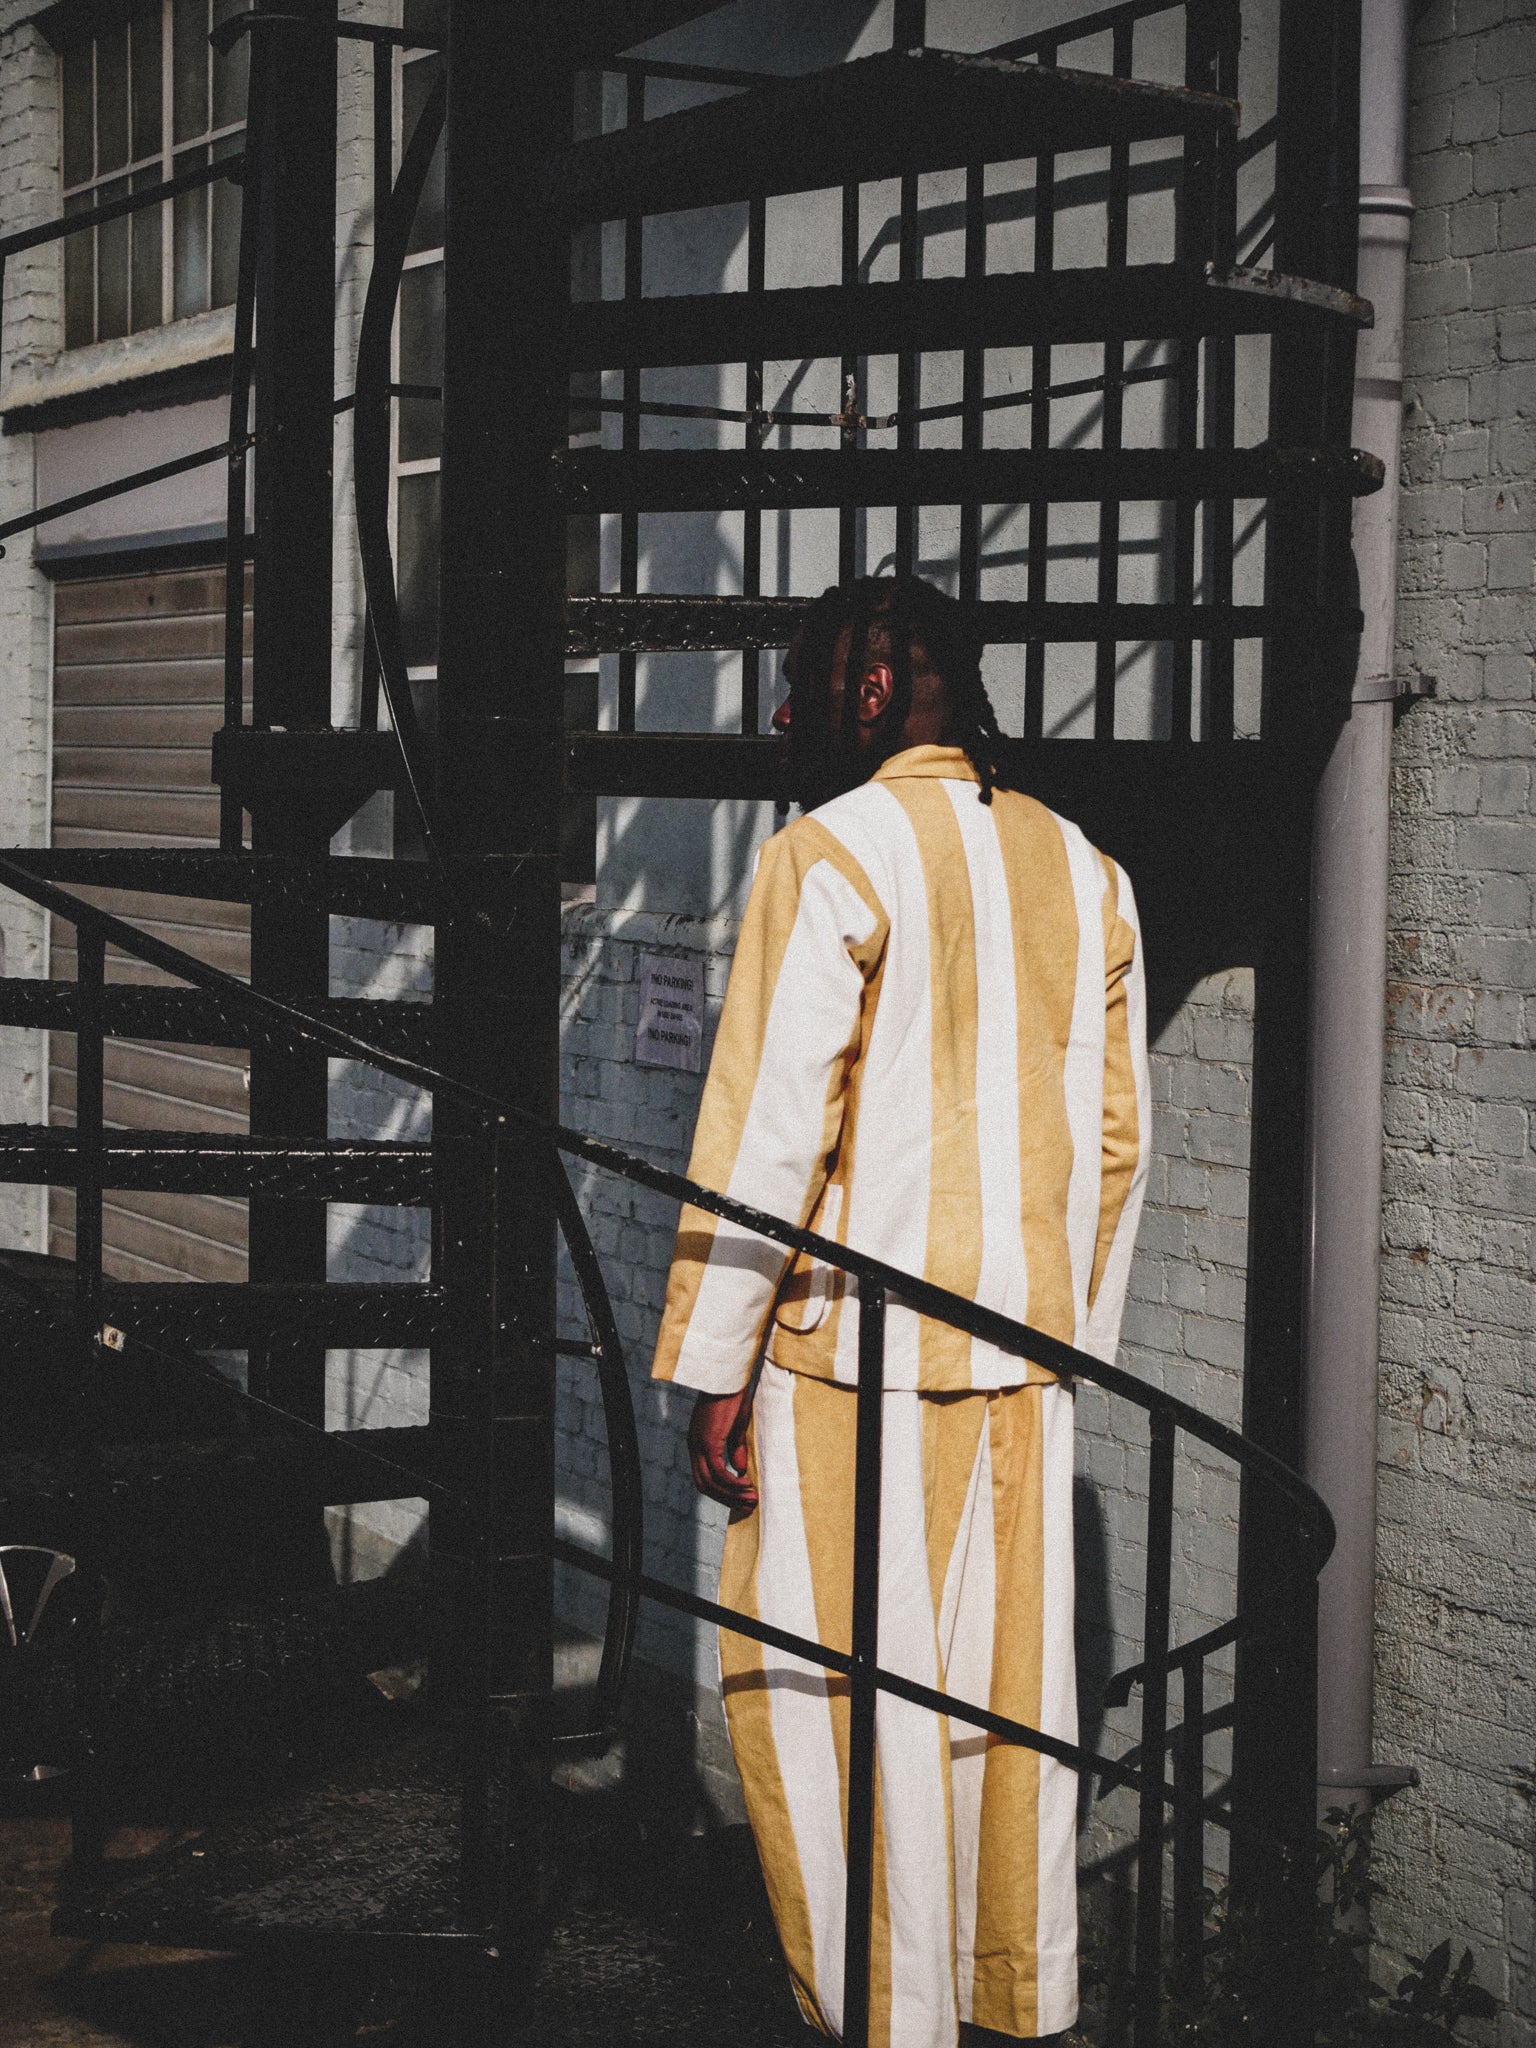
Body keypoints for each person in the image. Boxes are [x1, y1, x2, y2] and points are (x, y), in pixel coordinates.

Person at [651, 575, 1150, 2048]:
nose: (794, 716)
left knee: (824, 1700)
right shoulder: (1090, 869)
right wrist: (1061, 1334)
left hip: (842, 1370)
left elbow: (770, 1126)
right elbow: (1119, 1137)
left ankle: (885, 2014)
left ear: (873, 692)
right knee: (1002, 1719)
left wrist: (715, 1363)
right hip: (1019, 1367)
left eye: (809, 685)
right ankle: (1010, 2001)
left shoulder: (831, 855)